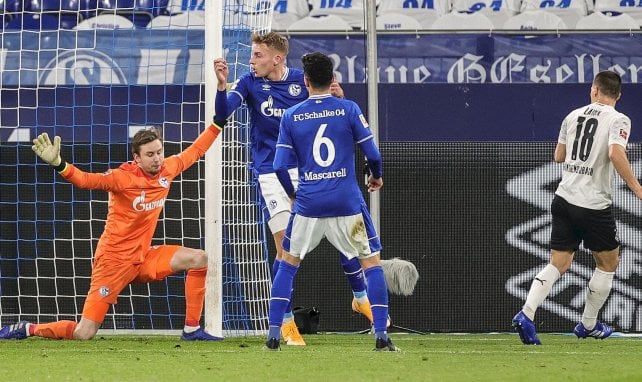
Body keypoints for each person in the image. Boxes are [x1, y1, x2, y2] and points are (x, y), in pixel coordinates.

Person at [213, 32, 374, 346]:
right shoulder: (248, 83)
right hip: (271, 174)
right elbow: (222, 115)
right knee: (286, 249)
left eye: (257, 55)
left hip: (312, 171)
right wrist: (221, 86)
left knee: (344, 233)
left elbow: (335, 109)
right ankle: (286, 323)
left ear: (277, 58)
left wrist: (338, 97)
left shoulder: (305, 82)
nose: (251, 60)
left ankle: (360, 296)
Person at [0, 120, 226, 341]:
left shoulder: (168, 169)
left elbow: (196, 149)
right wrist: (59, 163)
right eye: (150, 154)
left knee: (199, 258)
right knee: (84, 333)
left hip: (143, 257)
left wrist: (218, 122)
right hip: (113, 262)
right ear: (136, 158)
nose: (157, 158)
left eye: (159, 152)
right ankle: (29, 328)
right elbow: (86, 180)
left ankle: (191, 329)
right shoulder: (122, 178)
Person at [265, 51, 397, 351]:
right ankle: (380, 335)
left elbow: (279, 166)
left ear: (306, 81)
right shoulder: (348, 109)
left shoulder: (292, 115)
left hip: (309, 203)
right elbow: (374, 155)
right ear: (332, 79)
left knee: (287, 264)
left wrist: (293, 194)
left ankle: (274, 335)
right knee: (371, 265)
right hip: (346, 203)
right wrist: (376, 176)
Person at [512, 70, 642, 345]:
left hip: (563, 198)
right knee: (608, 262)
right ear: (617, 95)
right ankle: (588, 325)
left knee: (558, 263)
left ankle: (527, 313)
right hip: (593, 204)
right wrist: (638, 189)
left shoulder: (572, 115)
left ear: (593, 90)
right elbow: (615, 153)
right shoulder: (619, 119)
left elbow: (558, 156)